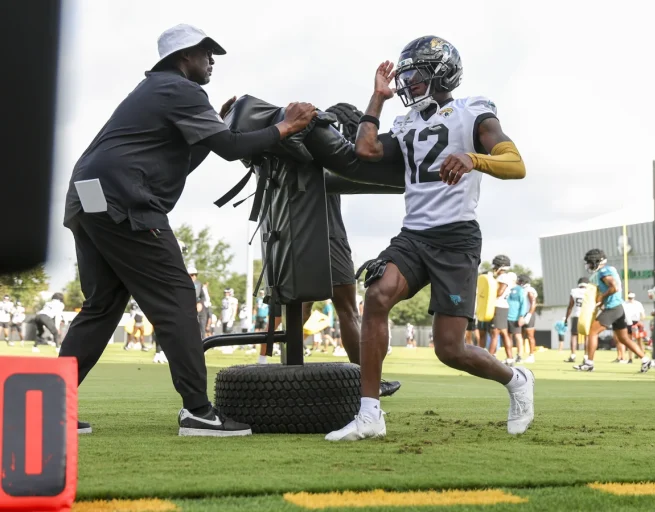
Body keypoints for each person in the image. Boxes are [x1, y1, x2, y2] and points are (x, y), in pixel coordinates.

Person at [58, 23, 318, 436]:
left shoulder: (156, 89)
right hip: (122, 197)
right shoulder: (181, 89)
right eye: (206, 52)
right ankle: (198, 411)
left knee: (102, 305)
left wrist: (219, 123)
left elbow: (194, 152)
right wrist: (286, 126)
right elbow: (231, 149)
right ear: (184, 57)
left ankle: (50, 408)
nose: (212, 60)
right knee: (178, 297)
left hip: (87, 195)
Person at [326, 35, 532, 442]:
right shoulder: (406, 122)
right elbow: (364, 149)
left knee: (449, 349)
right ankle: (370, 414)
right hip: (414, 235)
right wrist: (377, 98)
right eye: (404, 76)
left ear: (442, 73)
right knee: (376, 296)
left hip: (456, 237)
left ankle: (516, 379)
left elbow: (516, 164)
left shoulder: (471, 112)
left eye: (415, 74)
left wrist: (473, 158)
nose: (408, 83)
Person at [573, 249, 652, 373]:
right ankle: (645, 359)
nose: (589, 265)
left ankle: (589, 363)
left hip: (613, 307)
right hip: (617, 307)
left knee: (592, 332)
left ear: (597, 261)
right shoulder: (609, 270)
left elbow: (613, 287)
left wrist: (601, 297)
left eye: (590, 262)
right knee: (623, 338)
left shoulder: (604, 271)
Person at [490, 255, 516, 366]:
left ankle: (490, 358)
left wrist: (489, 295)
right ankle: (510, 358)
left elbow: (499, 292)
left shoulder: (503, 277)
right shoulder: (506, 277)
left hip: (499, 306)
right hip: (503, 306)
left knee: (495, 333)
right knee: (504, 333)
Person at [563, 278, 588, 363]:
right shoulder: (589, 291)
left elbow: (570, 306)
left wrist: (566, 318)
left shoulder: (574, 291)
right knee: (587, 336)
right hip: (586, 316)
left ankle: (573, 355)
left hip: (577, 315)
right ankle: (586, 356)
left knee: (574, 336)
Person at [518, 275, 538, 363]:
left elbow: (533, 303)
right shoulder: (521, 289)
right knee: (520, 335)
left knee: (530, 335)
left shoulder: (529, 290)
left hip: (528, 314)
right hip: (521, 314)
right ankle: (519, 355)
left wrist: (529, 315)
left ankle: (531, 355)